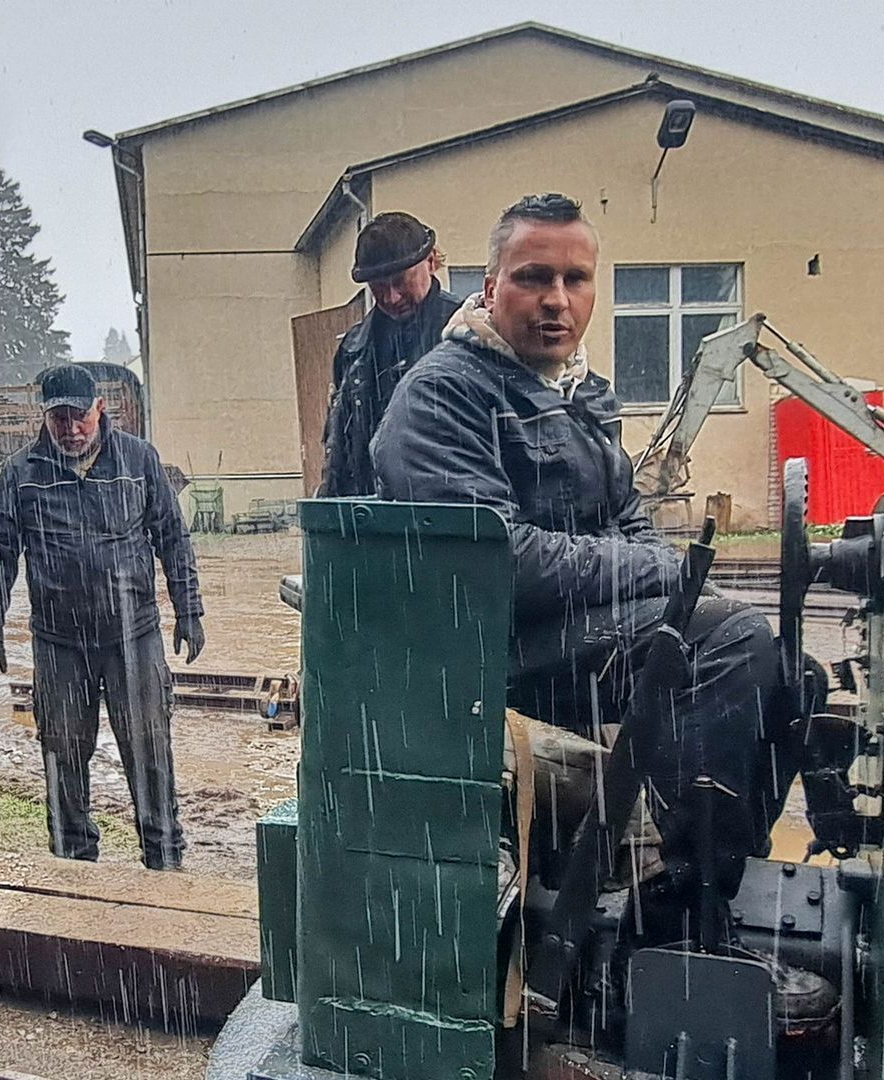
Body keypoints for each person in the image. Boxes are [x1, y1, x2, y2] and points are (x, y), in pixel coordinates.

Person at [369, 193, 791, 923]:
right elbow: (501, 562)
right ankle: (678, 917)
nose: (557, 301)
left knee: (788, 677)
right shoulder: (442, 396)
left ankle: (718, 886)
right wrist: (666, 576)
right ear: (491, 283)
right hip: (482, 657)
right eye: (534, 277)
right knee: (729, 645)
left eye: (577, 279)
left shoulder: (579, 394)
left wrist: (657, 573)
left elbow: (628, 519)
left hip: (565, 636)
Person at [0, 363, 205, 872]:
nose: (72, 430)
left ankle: (163, 859)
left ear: (100, 410)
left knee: (148, 749)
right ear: (46, 416)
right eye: (60, 419)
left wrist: (189, 608)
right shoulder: (21, 473)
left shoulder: (140, 461)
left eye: (80, 417)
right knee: (62, 752)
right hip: (59, 643)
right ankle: (74, 862)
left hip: (133, 635)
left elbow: (173, 538)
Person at [318, 211, 465, 497]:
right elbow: (340, 451)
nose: (391, 297)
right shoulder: (353, 349)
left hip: (452, 516)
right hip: (371, 519)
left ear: (431, 262)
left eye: (400, 281)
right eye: (378, 287)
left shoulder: (468, 333)